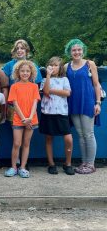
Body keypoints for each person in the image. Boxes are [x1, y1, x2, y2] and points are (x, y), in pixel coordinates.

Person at [64, 39, 101, 174]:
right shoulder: (66, 66)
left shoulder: (89, 64)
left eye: (79, 49)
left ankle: (91, 164)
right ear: (69, 52)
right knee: (80, 134)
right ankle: (84, 162)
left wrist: (98, 103)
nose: (77, 52)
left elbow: (96, 85)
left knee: (89, 134)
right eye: (74, 50)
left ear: (83, 50)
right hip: (73, 103)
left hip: (87, 102)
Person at [5, 60, 40, 178]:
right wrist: (23, 119)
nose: (25, 73)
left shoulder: (34, 86)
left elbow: (35, 103)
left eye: (27, 71)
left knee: (26, 144)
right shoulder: (14, 86)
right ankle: (13, 167)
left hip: (31, 119)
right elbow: (15, 104)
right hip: (18, 119)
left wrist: (29, 118)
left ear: (31, 73)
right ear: (18, 72)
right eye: (22, 71)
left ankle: (23, 167)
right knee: (16, 143)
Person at [39, 57, 74, 175]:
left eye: (56, 65)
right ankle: (51, 164)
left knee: (68, 139)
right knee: (49, 138)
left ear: (60, 68)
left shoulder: (64, 79)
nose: (53, 67)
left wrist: (52, 90)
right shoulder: (45, 79)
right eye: (51, 65)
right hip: (48, 113)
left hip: (62, 113)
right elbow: (46, 91)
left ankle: (67, 164)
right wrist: (48, 76)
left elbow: (67, 93)